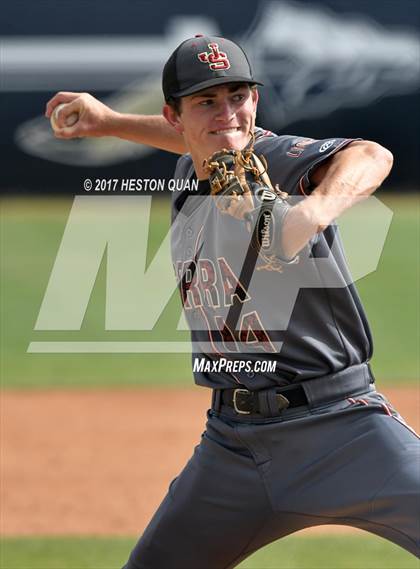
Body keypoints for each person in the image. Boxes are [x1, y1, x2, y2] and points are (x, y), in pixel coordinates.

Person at [46, 35, 419, 568]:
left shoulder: (270, 161)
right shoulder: (192, 166)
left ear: (256, 102)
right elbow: (199, 141)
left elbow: (371, 154)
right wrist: (108, 123)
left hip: (344, 429)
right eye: (207, 101)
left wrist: (306, 216)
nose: (229, 115)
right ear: (174, 116)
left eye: (239, 96)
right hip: (234, 446)